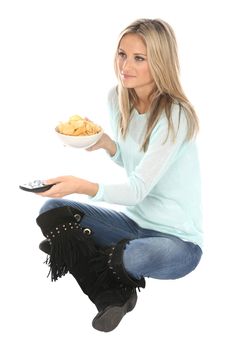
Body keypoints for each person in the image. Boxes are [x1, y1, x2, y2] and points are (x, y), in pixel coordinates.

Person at [36, 18, 203, 332]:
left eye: (139, 58)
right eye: (122, 54)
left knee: (136, 256)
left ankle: (81, 255)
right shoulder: (119, 98)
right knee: (52, 213)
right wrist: (106, 144)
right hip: (134, 225)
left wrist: (81, 185)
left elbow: (138, 189)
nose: (125, 66)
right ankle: (114, 292)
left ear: (160, 62)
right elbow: (135, 164)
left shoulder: (174, 114)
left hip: (179, 244)